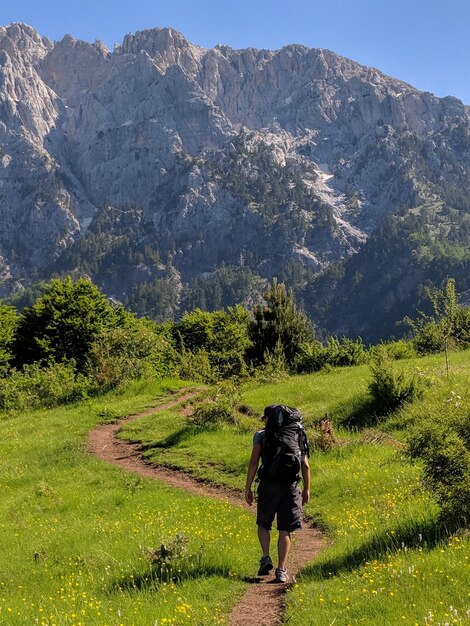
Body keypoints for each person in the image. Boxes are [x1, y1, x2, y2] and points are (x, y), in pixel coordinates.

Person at [244, 405, 310, 583]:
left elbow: (253, 462)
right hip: (291, 486)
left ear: (268, 418)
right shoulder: (296, 433)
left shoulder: (261, 435)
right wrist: (307, 489)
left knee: (263, 524)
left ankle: (266, 557)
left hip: (268, 485)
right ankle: (281, 570)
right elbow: (305, 465)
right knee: (285, 529)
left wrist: (248, 487)